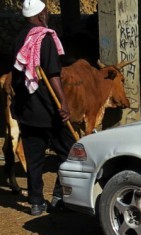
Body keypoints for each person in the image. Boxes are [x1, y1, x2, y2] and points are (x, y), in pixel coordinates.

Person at [10, 0, 75, 215]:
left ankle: (36, 202)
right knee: (67, 151)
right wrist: (63, 102)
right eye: (46, 12)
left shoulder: (20, 38)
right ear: (41, 15)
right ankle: (58, 196)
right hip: (48, 109)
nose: (48, 15)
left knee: (35, 157)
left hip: (27, 109)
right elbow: (53, 74)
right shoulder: (44, 38)